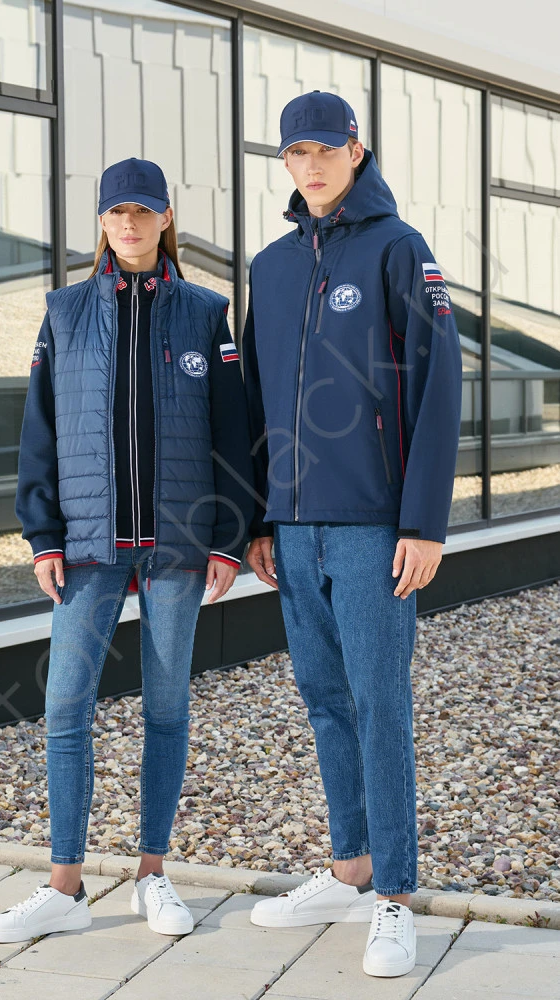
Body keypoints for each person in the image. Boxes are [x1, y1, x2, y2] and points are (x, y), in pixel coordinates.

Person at [0, 157, 254, 944]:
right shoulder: (64, 313)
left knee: (166, 709)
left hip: (177, 546)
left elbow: (233, 433)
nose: (129, 224)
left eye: (142, 211)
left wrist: (228, 539)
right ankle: (64, 887)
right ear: (101, 221)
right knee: (66, 706)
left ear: (166, 217)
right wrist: (43, 534)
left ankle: (152, 875)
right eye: (115, 213)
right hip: (88, 547)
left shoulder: (205, 313)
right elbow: (39, 430)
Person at [243, 91, 462, 978]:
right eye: (297, 153)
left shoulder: (399, 248)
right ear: (286, 162)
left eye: (326, 150)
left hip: (375, 526)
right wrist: (258, 517)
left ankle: (395, 896)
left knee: (379, 704)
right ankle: (349, 869)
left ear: (356, 150)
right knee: (326, 701)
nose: (313, 166)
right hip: (293, 530)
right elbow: (255, 402)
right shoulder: (270, 266)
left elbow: (439, 387)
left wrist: (425, 522)